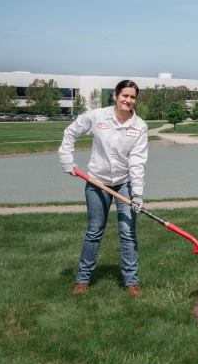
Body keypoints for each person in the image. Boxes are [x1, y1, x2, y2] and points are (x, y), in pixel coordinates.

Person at [58, 79, 149, 297]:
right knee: (94, 231)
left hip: (124, 183)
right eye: (124, 95)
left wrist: (137, 194)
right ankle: (82, 280)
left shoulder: (139, 127)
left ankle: (131, 282)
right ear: (116, 95)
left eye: (132, 97)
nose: (128, 100)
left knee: (127, 233)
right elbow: (70, 132)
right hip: (97, 182)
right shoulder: (98, 116)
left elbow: (137, 162)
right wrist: (67, 160)